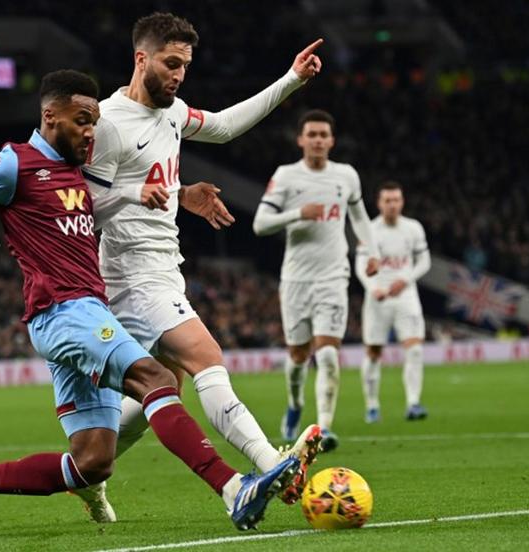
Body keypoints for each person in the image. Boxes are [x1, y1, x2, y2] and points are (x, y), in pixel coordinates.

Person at [0, 70, 299, 542]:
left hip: (86, 313)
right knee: (159, 380)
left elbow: (106, 201)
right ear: (50, 116)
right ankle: (232, 488)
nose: (90, 132)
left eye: (94, 122)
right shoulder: (12, 164)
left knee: (93, 462)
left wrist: (177, 194)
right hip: (63, 312)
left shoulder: (75, 173)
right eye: (81, 120)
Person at [80, 12, 325, 514]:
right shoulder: (107, 123)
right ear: (141, 59)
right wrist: (134, 193)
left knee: (161, 387)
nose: (179, 75)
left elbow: (225, 126)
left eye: (185, 66)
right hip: (131, 275)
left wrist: (292, 79)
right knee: (206, 357)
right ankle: (271, 462)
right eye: (171, 64)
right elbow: (84, 209)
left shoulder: (172, 113)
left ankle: (88, 470)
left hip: (164, 268)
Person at [252, 109, 380, 450]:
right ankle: (295, 404)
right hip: (296, 279)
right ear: (301, 139)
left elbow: (360, 217)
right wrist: (297, 213)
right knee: (298, 355)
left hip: (333, 277)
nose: (318, 140)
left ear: (332, 141)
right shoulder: (286, 176)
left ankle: (322, 428)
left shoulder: (346, 175)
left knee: (327, 354)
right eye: (312, 134)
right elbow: (260, 224)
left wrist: (372, 251)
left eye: (324, 135)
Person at [356, 182, 431, 422]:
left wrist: (406, 279)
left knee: (415, 349)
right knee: (373, 352)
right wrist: (372, 288)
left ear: (402, 202)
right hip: (377, 297)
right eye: (387, 200)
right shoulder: (369, 230)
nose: (392, 205)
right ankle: (372, 406)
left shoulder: (413, 228)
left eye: (396, 200)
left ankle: (413, 403)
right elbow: (360, 263)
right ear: (379, 203)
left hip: (406, 296)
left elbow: (424, 261)